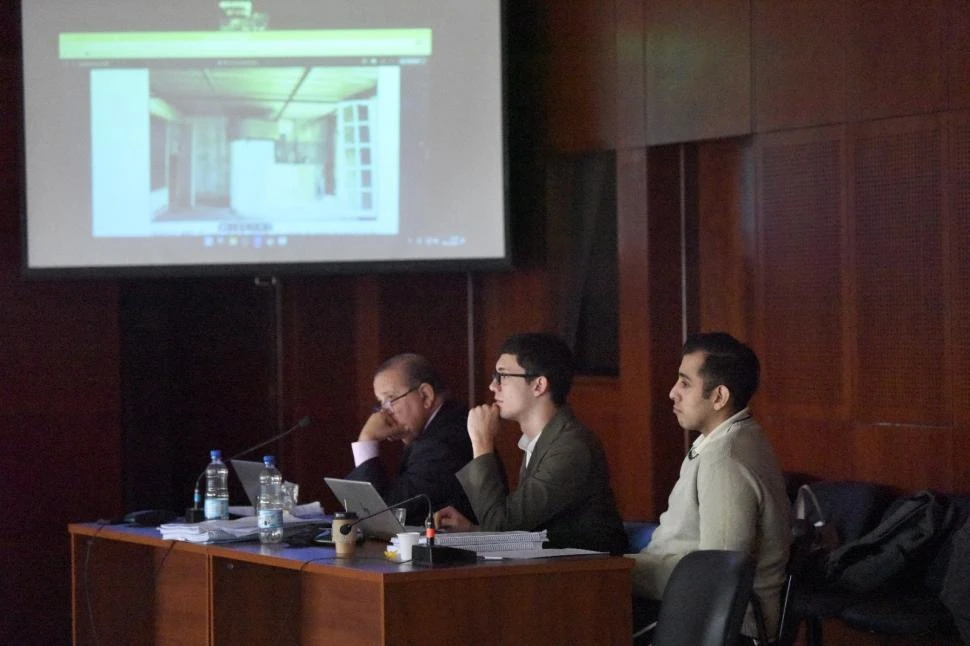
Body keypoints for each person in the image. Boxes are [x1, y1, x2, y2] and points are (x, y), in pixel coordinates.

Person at [628, 332, 791, 643]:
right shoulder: (729, 438)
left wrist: (619, 574)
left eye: (685, 383)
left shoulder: (725, 458)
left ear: (719, 397)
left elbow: (718, 575)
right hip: (684, 605)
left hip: (720, 627)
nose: (672, 393)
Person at [435, 332, 628, 555]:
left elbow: (502, 526)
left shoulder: (571, 446)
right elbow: (526, 526)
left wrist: (481, 442)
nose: (492, 386)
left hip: (593, 576)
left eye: (503, 376)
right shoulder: (544, 438)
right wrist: (472, 530)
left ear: (538, 385)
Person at [345, 353, 475, 525]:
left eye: (391, 399)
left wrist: (366, 441)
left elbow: (385, 515)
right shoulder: (439, 428)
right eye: (381, 402)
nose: (384, 413)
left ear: (425, 395)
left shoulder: (444, 442)